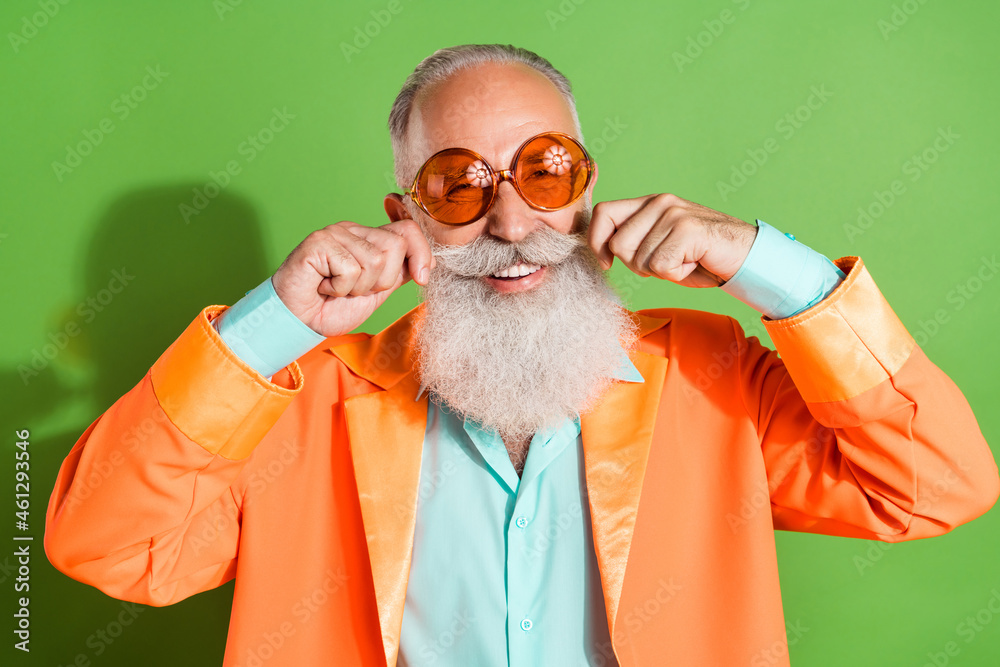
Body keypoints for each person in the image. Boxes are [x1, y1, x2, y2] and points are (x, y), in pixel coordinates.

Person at [44, 44, 999, 667]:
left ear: (589, 190)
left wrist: (767, 266)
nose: (511, 221)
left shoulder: (715, 378)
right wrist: (276, 322)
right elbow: (109, 545)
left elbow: (931, 486)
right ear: (405, 219)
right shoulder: (299, 399)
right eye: (457, 186)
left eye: (544, 171)